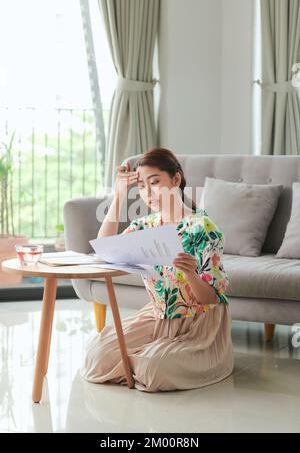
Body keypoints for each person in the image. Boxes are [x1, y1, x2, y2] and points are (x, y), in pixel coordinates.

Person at [81, 147, 234, 392]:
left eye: (155, 182)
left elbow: (211, 297)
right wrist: (120, 194)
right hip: (157, 315)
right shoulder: (144, 225)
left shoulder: (203, 228)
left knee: (153, 370)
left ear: (176, 180)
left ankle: (146, 358)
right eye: (142, 186)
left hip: (198, 322)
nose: (148, 193)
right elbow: (104, 249)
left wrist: (191, 275)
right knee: (95, 356)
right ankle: (142, 357)